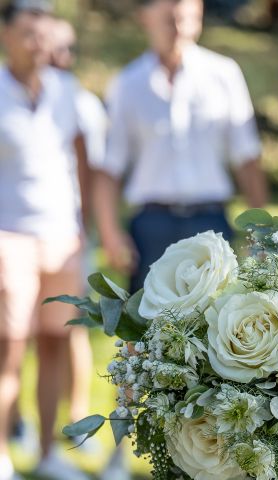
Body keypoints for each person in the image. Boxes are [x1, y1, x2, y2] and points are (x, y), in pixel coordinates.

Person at [92, 0, 268, 292]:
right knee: (146, 326)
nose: (178, 28)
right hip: (151, 226)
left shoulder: (224, 75)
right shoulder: (128, 84)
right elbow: (110, 167)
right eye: (169, 19)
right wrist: (110, 234)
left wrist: (262, 232)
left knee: (214, 324)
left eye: (186, 18)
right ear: (145, 17)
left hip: (211, 222)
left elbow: (247, 157)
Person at [0, 1, 90, 479]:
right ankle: (1, 452)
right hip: (8, 234)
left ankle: (49, 451)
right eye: (28, 34)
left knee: (55, 342)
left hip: (61, 236)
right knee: (9, 346)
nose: (39, 45)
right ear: (6, 37)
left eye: (44, 35)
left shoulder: (66, 90)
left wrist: (86, 224)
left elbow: (82, 159)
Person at [48, 16, 106, 446]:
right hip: (25, 231)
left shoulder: (82, 103)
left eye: (66, 48)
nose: (58, 55)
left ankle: (74, 410)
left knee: (70, 328)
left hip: (69, 230)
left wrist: (88, 227)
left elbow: (96, 171)